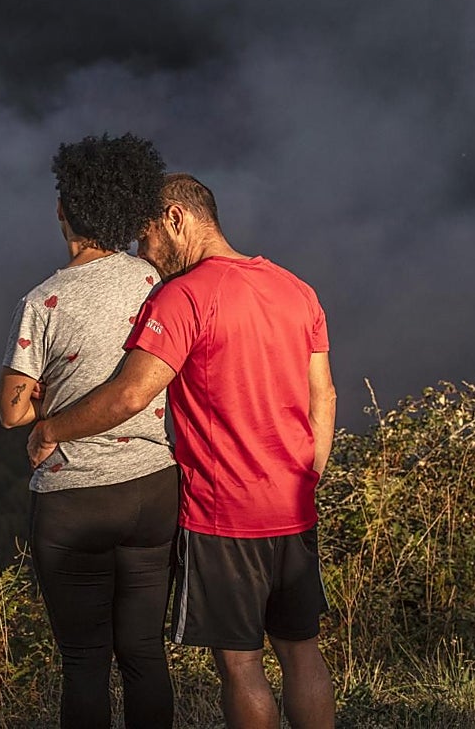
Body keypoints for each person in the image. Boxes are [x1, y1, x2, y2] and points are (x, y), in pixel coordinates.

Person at [28, 173, 338, 729]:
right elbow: (325, 397)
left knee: (241, 665)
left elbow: (130, 394)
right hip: (293, 507)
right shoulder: (296, 289)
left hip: (224, 515)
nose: (144, 253)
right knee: (302, 652)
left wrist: (52, 429)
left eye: (146, 236)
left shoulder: (184, 296)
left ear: (175, 218)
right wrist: (305, 480)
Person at [0, 133, 177, 729]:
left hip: (74, 496)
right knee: (145, 652)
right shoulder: (156, 282)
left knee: (84, 660)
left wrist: (49, 403)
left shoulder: (43, 301)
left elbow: (12, 411)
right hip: (155, 488)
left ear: (62, 210)